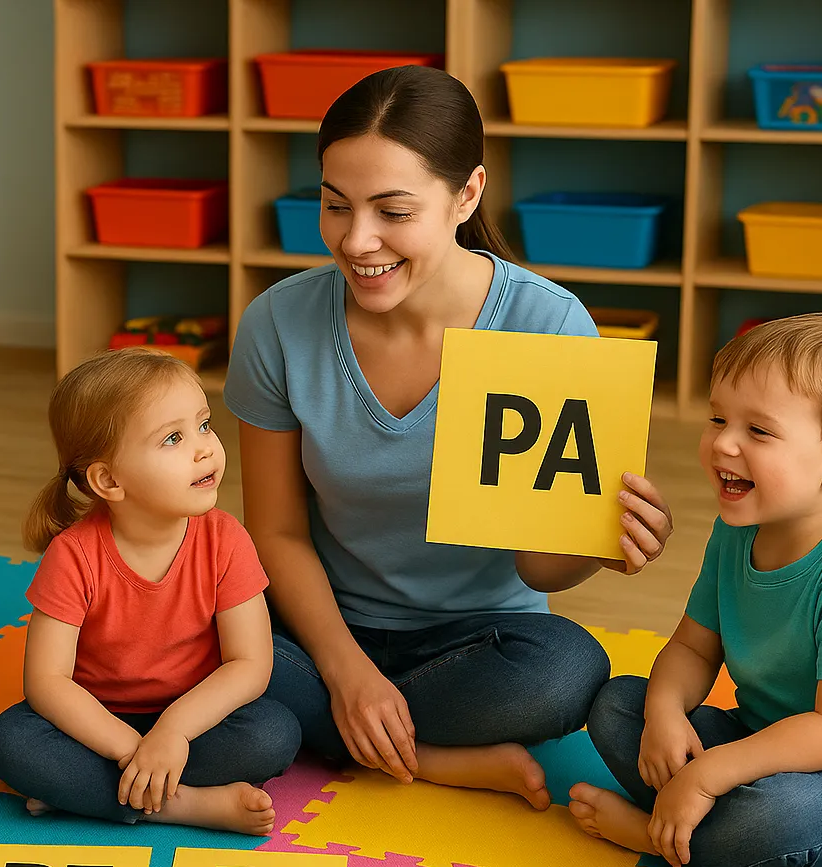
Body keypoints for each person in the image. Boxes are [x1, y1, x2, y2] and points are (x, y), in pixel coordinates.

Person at [226, 65, 675, 808]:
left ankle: (350, 734)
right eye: (335, 206)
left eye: (392, 211)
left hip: (483, 638)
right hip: (318, 625)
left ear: (466, 194)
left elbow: (540, 569)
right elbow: (274, 529)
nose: (357, 239)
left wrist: (599, 543)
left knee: (568, 678)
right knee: (193, 634)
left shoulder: (548, 326)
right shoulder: (277, 323)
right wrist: (346, 671)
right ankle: (430, 753)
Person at [570, 314, 822, 867]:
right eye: (718, 418)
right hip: (759, 740)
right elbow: (692, 648)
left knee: (780, 814)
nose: (721, 443)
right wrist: (664, 713)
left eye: (758, 431)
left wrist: (709, 775)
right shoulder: (736, 531)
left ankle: (660, 839)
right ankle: (738, 852)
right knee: (619, 705)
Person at [0, 350, 301, 835]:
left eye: (204, 425)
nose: (204, 449)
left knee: (274, 733)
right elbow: (47, 682)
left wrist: (172, 732)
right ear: (109, 480)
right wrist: (136, 751)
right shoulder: (73, 556)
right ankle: (184, 805)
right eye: (173, 438)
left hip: (195, 715)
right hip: (96, 723)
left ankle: (85, 794)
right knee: (11, 741)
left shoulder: (227, 539)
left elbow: (250, 665)